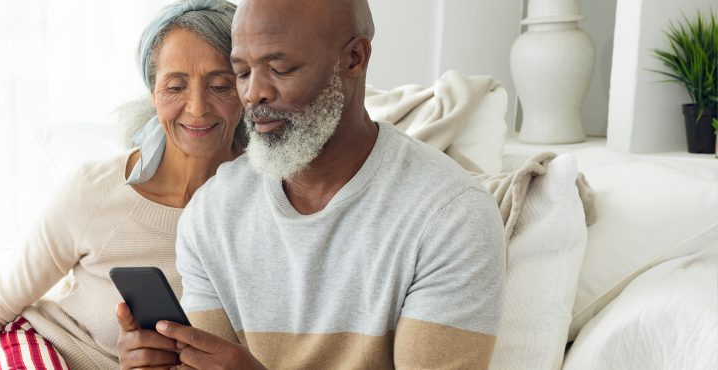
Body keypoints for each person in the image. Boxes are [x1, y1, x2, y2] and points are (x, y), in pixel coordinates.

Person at [116, 0, 507, 368]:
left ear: (354, 58)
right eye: (242, 72)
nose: (254, 93)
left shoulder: (450, 215)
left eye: (280, 68)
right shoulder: (213, 213)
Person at [0, 1, 243, 369]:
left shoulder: (264, 204)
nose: (197, 107)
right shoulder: (95, 191)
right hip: (45, 348)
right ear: (152, 93)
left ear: (247, 88)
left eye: (220, 85)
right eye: (175, 86)